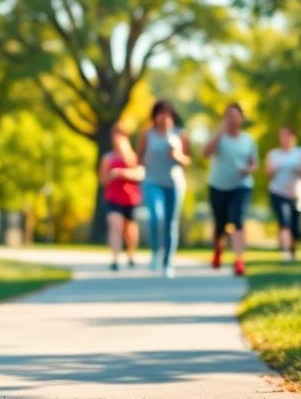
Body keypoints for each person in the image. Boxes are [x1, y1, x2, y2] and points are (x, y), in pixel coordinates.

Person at [137, 100, 191, 278]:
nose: (164, 117)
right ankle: (155, 252)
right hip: (152, 181)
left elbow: (187, 161)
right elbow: (139, 158)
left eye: (168, 113)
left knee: (170, 222)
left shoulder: (180, 134)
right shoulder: (147, 134)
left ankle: (168, 263)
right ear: (155, 115)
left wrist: (177, 155)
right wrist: (146, 160)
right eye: (161, 113)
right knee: (156, 216)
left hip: (174, 183)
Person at [204, 103, 259, 277]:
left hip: (241, 186)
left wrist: (249, 170)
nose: (232, 120)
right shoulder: (218, 137)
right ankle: (218, 251)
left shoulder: (248, 140)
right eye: (228, 116)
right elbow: (205, 153)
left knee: (237, 219)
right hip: (218, 185)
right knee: (220, 225)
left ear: (241, 118)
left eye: (235, 116)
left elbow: (254, 163)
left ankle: (239, 260)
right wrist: (219, 132)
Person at [99, 125, 145, 270]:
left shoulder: (133, 157)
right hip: (113, 197)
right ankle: (115, 259)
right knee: (115, 226)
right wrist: (111, 175)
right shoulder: (107, 158)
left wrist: (122, 173)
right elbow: (103, 179)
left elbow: (140, 175)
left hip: (130, 198)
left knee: (130, 230)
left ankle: (131, 255)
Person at [266, 126, 301, 263]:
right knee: (284, 221)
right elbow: (267, 172)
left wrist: (299, 169)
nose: (285, 139)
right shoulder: (274, 154)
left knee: (296, 228)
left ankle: (293, 250)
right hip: (277, 192)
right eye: (282, 136)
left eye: (287, 136)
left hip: (297, 195)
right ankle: (286, 252)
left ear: (294, 138)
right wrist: (277, 168)